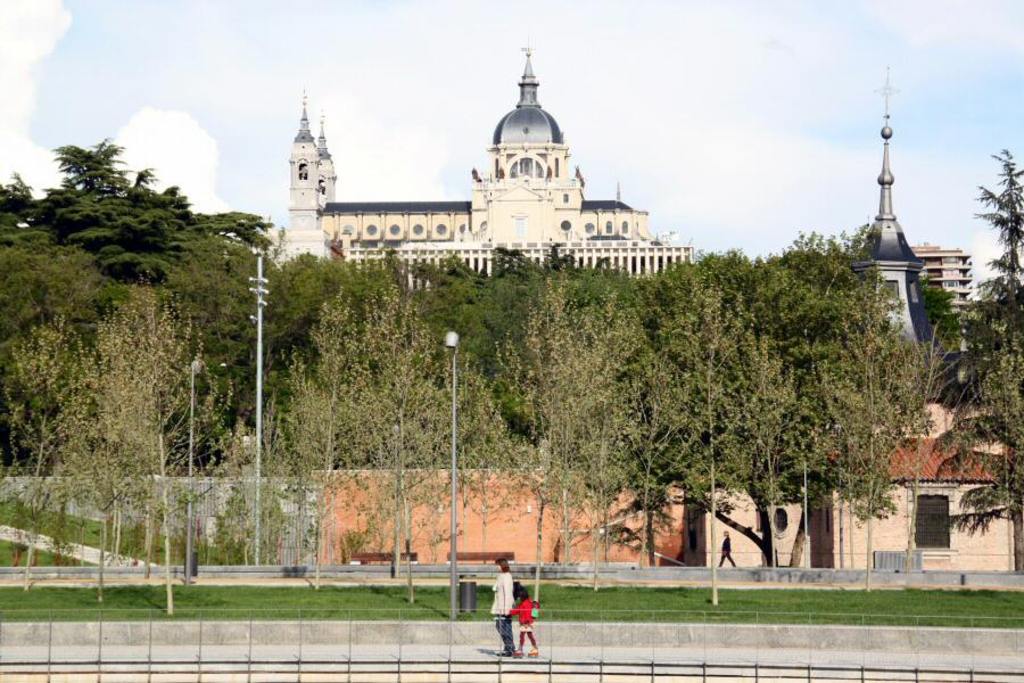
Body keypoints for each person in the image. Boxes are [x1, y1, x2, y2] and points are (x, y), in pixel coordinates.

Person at [491, 557, 515, 656]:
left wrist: (507, 609)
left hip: (505, 608)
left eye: (497, 565)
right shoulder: (501, 576)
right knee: (501, 626)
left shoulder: (507, 577)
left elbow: (508, 593)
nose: (496, 567)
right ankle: (508, 647)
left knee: (503, 626)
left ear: (501, 565)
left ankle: (509, 648)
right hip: (500, 606)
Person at [509, 584, 540, 658]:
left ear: (522, 597)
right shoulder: (531, 602)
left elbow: (516, 611)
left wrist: (510, 611)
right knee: (530, 636)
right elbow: (536, 608)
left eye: (520, 597)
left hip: (524, 623)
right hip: (529, 623)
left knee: (522, 636)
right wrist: (536, 604)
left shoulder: (522, 604)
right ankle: (535, 648)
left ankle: (520, 649)